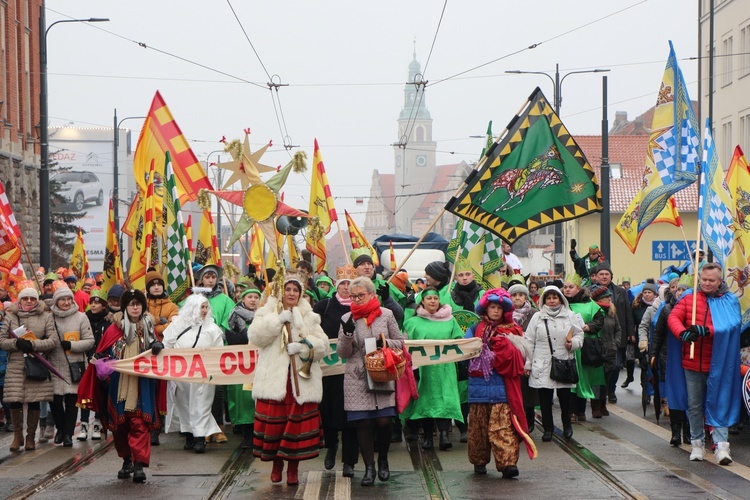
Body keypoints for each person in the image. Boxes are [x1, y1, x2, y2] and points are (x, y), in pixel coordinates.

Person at [248, 270, 329, 485]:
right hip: (274, 380)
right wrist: (277, 320)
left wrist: (304, 347)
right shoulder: (266, 311)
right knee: (276, 427)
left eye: (296, 290)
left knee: (295, 428)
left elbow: (324, 346)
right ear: (281, 291)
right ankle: (276, 465)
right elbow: (255, 337)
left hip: (300, 382)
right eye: (288, 289)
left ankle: (293, 469)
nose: (291, 293)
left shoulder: (310, 316)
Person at [79, 289, 162, 483]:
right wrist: (100, 358)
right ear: (125, 307)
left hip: (142, 385)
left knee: (139, 423)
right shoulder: (113, 329)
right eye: (131, 304)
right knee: (120, 426)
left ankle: (139, 464)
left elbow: (158, 352)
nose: (135, 307)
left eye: (138, 304)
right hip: (118, 385)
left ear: (142, 307)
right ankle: (127, 460)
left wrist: (158, 347)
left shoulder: (150, 329)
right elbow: (104, 352)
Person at [668, 262, 741, 465]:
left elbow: (732, 324)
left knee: (720, 402)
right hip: (691, 363)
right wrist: (682, 333)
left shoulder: (729, 300)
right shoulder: (689, 298)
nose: (707, 283)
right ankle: (697, 443)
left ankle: (721, 446)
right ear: (699, 278)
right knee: (694, 405)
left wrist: (707, 330)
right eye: (704, 279)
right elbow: (674, 317)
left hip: (719, 363)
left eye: (711, 280)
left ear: (720, 281)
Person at [337, 276, 404, 486]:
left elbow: (401, 343)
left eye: (360, 295)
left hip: (382, 371)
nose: (356, 299)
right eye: (353, 296)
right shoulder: (348, 317)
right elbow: (343, 353)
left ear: (372, 294)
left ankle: (383, 459)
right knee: (363, 422)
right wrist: (347, 335)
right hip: (357, 375)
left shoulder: (386, 314)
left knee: (384, 421)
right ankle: (369, 468)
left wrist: (381, 342)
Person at [465, 287, 534, 477]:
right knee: (478, 429)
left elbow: (520, 357)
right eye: (492, 307)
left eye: (499, 308)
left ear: (505, 310)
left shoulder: (513, 330)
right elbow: (463, 352)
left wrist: (502, 350)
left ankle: (507, 464)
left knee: (503, 428)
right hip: (478, 388)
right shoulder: (474, 329)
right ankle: (479, 461)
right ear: (485, 309)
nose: (495, 311)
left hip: (502, 388)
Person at [402, 287, 464, 451]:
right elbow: (404, 345)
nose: (432, 301)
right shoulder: (412, 322)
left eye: (435, 298)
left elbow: (459, 340)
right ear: (422, 301)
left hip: (445, 369)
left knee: (444, 399)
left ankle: (444, 436)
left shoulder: (450, 320)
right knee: (426, 401)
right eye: (429, 298)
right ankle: (428, 436)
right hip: (423, 369)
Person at [313, 265, 359, 477]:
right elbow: (310, 329)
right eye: (343, 284)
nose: (346, 288)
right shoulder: (324, 306)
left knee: (352, 414)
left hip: (353, 371)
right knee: (329, 411)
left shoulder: (361, 307)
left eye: (350, 284)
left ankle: (349, 460)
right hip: (329, 370)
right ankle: (331, 447)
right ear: (336, 286)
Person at [0, 281, 57, 452]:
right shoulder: (11, 317)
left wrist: (34, 345)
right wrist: (16, 343)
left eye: (32, 298)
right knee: (15, 400)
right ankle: (18, 436)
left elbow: (53, 341)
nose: (29, 301)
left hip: (36, 364)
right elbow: (2, 341)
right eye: (26, 298)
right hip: (16, 365)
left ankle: (31, 436)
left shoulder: (46, 317)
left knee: (34, 401)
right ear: (20, 301)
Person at [163, 294, 224, 453]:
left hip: (203, 375)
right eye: (201, 307)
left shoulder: (212, 328)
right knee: (184, 405)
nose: (204, 310)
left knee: (202, 405)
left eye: (206, 307)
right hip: (181, 374)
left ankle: (199, 439)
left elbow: (220, 351)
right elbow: (166, 344)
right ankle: (190, 436)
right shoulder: (177, 325)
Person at [525, 285, 584, 442]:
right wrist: (528, 363)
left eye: (554, 297)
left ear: (560, 299)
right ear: (544, 300)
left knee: (565, 398)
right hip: (542, 363)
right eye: (549, 298)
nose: (552, 301)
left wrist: (573, 344)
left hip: (564, 361)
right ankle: (548, 429)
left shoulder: (570, 316)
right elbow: (529, 341)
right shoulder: (537, 317)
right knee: (545, 399)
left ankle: (567, 426)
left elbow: (579, 335)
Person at [48, 280, 95, 447]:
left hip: (74, 365)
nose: (66, 302)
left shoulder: (81, 317)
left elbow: (90, 341)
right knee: (54, 402)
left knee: (71, 401)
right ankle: (60, 428)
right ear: (56, 301)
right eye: (62, 300)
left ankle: (67, 434)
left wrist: (72, 345)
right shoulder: (49, 318)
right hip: (53, 366)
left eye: (69, 299)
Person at [195, 264, 234, 444]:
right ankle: (201, 426)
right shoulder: (194, 299)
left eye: (213, 276)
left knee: (217, 389)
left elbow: (230, 321)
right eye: (207, 276)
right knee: (199, 389)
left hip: (218, 348)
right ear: (201, 279)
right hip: (199, 349)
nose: (210, 279)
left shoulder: (225, 300)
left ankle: (217, 426)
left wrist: (218, 332)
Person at [651, 276, 692, 446]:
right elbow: (658, 333)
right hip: (670, 358)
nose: (680, 292)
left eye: (684, 290)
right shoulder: (666, 309)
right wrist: (653, 353)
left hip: (690, 358)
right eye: (678, 289)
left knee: (691, 397)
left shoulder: (696, 309)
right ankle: (676, 432)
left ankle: (689, 432)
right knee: (675, 395)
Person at [560, 274, 604, 421]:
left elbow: (599, 321)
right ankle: (571, 412)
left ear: (578, 289)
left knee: (582, 379)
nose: (567, 290)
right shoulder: (559, 304)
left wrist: (588, 326)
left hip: (584, 347)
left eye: (570, 287)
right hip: (565, 347)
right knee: (568, 380)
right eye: (565, 287)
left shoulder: (590, 304)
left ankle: (581, 411)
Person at [144, 270, 178, 446]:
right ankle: (147, 425)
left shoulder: (171, 306)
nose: (156, 287)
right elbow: (139, 325)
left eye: (159, 284)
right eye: (153, 284)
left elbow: (174, 328)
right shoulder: (142, 304)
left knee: (160, 391)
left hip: (163, 353)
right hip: (144, 353)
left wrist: (155, 326)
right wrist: (159, 320)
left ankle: (156, 428)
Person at [226, 286, 261, 449]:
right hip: (242, 366)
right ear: (243, 299)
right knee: (245, 400)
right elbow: (231, 338)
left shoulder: (265, 317)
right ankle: (247, 434)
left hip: (260, 365)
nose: (253, 300)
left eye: (256, 297)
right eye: (250, 297)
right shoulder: (234, 316)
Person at [594, 263, 633, 404]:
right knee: (601, 367)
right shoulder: (591, 291)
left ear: (611, 276)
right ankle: (601, 393)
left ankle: (611, 389)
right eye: (601, 274)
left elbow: (627, 312)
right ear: (596, 277)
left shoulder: (620, 291)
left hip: (617, 335)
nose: (604, 276)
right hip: (598, 338)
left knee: (616, 366)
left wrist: (630, 332)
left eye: (607, 274)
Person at [509, 281, 539, 432]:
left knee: (528, 391)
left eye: (521, 295)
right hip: (512, 357)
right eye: (514, 295)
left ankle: (529, 419)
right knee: (514, 391)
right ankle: (514, 421)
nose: (517, 298)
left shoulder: (533, 313)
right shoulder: (506, 313)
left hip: (528, 356)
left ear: (526, 297)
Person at [81, 288, 111, 441]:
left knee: (100, 392)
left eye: (97, 303)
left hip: (102, 361)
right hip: (86, 359)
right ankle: (84, 423)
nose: (93, 305)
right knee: (86, 391)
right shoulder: (84, 319)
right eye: (91, 302)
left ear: (103, 305)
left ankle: (98, 422)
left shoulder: (109, 321)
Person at [589, 286, 622, 418]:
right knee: (597, 379)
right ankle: (596, 405)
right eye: (606, 297)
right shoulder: (593, 311)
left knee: (607, 379)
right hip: (597, 350)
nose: (609, 299)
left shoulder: (612, 311)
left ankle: (603, 402)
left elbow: (618, 329)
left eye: (610, 297)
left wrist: (616, 343)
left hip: (610, 350)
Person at [624, 281, 658, 389]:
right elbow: (631, 320)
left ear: (655, 294)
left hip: (654, 337)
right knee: (642, 363)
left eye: (649, 292)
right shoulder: (636, 306)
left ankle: (651, 386)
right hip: (640, 336)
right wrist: (631, 334)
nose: (647, 294)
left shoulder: (658, 306)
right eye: (645, 292)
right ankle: (643, 386)